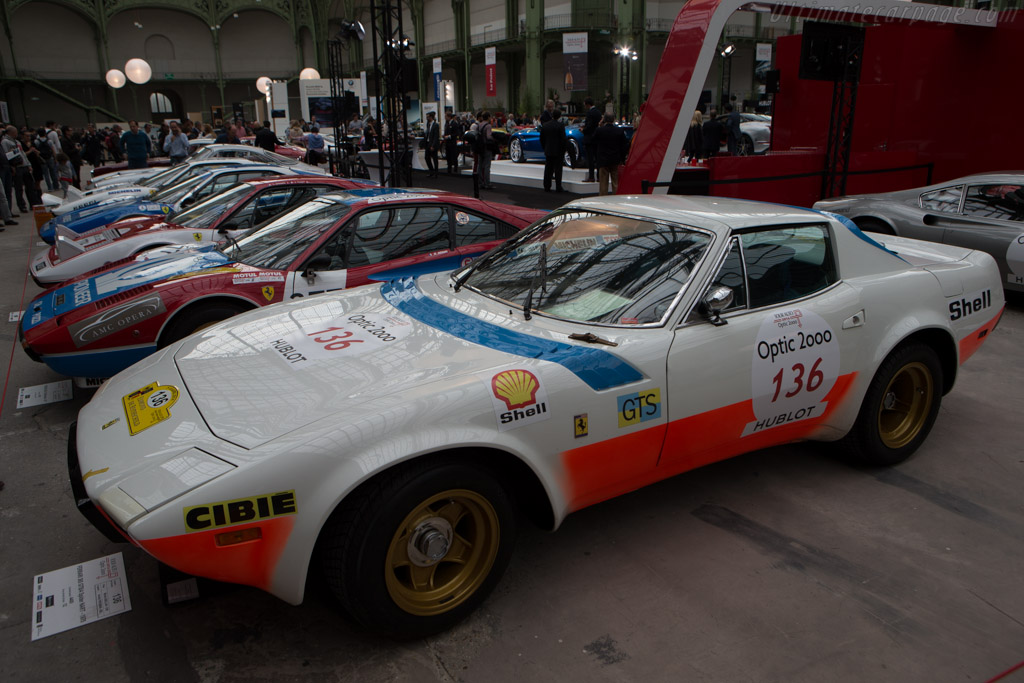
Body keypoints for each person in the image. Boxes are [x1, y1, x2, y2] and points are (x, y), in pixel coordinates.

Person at [592, 114, 629, 196]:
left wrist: (599, 125)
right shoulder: (619, 131)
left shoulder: (600, 130)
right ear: (613, 120)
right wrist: (622, 158)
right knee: (615, 182)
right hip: (615, 159)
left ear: (604, 120)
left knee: (603, 184)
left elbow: (593, 141)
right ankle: (615, 199)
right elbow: (624, 145)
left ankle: (603, 199)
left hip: (603, 159)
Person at [540, 108, 567, 192]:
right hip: (558, 151)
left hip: (548, 150)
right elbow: (563, 139)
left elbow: (542, 139)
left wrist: (545, 147)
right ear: (559, 116)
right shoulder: (560, 125)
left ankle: (547, 186)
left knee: (548, 168)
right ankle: (558, 186)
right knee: (558, 169)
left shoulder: (545, 125)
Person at [582, 96, 602, 183]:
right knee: (597, 158)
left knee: (590, 159)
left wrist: (584, 130)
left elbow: (589, 126)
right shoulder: (598, 112)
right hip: (597, 138)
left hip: (589, 138)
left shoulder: (590, 113)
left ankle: (591, 176)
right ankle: (599, 176)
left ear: (587, 104)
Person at [476, 110, 495, 189]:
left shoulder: (479, 125)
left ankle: (480, 182)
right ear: (488, 117)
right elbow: (488, 136)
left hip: (479, 147)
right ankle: (487, 183)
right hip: (486, 147)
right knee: (487, 166)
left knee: (480, 165)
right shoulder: (488, 126)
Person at [443, 111, 462, 175]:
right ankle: (449, 168)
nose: (445, 118)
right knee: (448, 156)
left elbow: (456, 133)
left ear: (449, 117)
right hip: (447, 143)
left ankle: (455, 169)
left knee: (454, 155)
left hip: (452, 142)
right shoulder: (447, 124)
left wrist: (449, 136)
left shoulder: (454, 124)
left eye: (446, 116)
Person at [423, 111, 440, 178]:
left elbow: (436, 136)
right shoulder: (428, 124)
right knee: (427, 157)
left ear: (431, 117)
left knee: (435, 158)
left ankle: (436, 172)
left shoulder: (435, 125)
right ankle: (431, 170)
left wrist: (433, 145)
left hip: (433, 144)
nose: (427, 118)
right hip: (428, 143)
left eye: (428, 117)